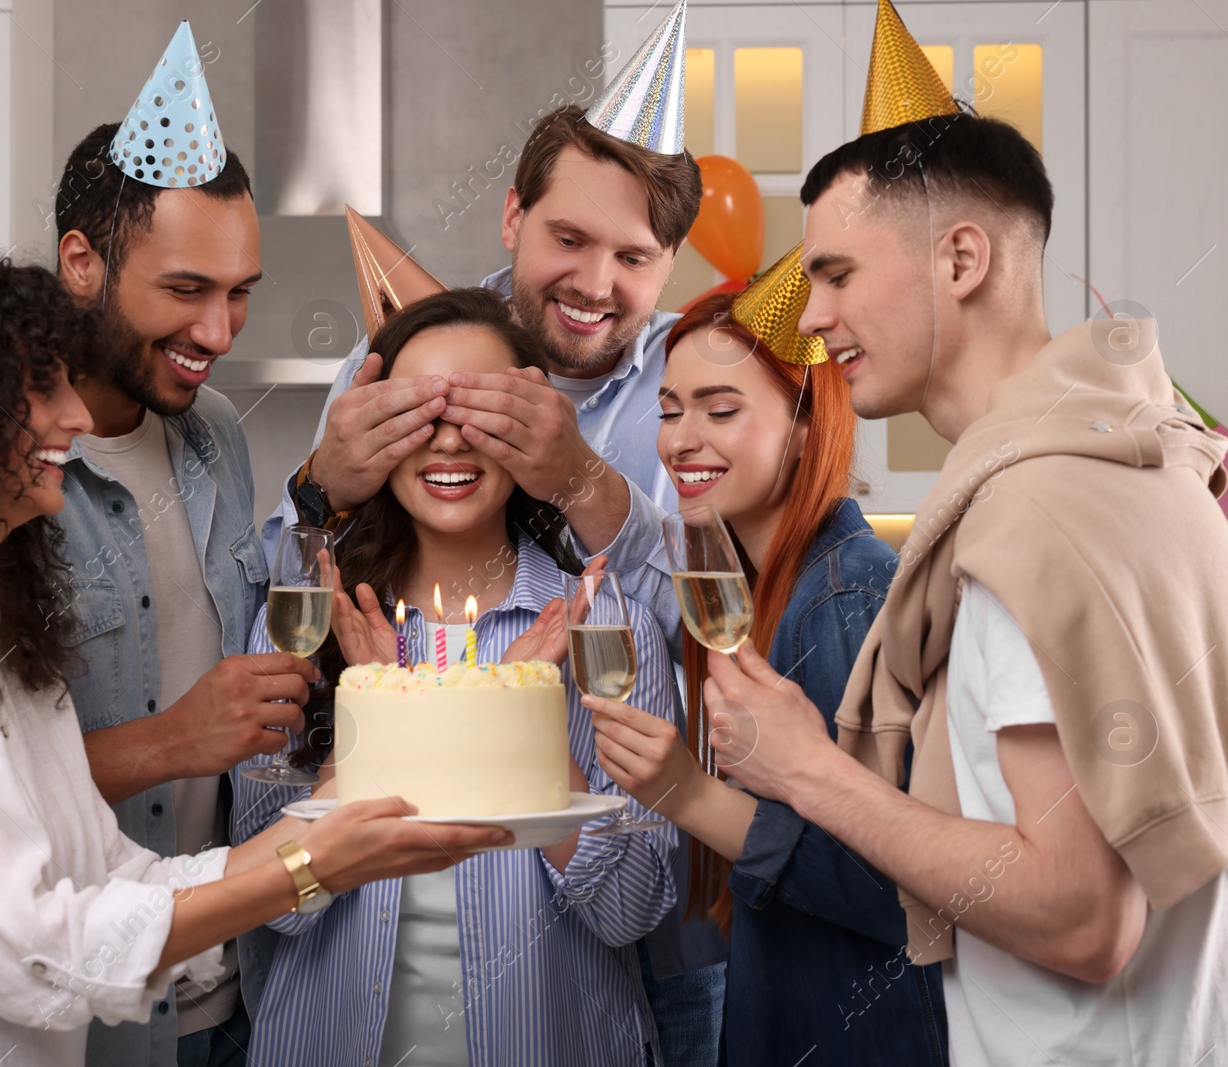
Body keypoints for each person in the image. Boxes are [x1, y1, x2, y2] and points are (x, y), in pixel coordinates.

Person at [0, 181, 508, 1062]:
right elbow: (40, 954)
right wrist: (313, 863)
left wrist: (345, 802)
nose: (72, 416)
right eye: (39, 390)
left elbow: (121, 875)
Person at [702, 3, 1228, 1064]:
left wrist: (807, 770)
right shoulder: (1142, 468)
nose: (811, 316)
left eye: (836, 272)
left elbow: (1081, 916)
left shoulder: (1038, 516)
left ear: (961, 257)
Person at [266, 7, 731, 1058]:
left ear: (670, 265)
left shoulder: (696, 392)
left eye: (634, 255)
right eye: (569, 237)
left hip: (655, 934)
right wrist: (318, 485)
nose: (596, 283)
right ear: (513, 213)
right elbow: (291, 579)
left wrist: (583, 484)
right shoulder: (403, 357)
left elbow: (716, 625)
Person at [235, 288, 680, 1066]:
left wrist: (525, 718)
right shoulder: (306, 625)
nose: (448, 446)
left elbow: (632, 908)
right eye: (418, 416)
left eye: (481, 416)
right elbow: (269, 903)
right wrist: (378, 719)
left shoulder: (608, 628)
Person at [588, 279, 948, 1065]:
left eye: (721, 410)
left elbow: (906, 891)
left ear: (806, 423)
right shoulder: (751, 599)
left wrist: (687, 792)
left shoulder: (843, 595)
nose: (681, 439)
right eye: (670, 409)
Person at [45, 24, 306, 1064]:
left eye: (240, 290)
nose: (223, 329)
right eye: (187, 289)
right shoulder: (1, 481)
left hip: (221, 993)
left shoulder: (219, 441)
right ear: (81, 262)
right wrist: (170, 740)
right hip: (79, 1013)